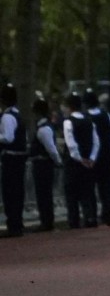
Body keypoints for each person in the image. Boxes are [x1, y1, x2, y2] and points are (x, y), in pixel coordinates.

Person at [61, 93, 99, 229]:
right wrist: (92, 158)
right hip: (89, 162)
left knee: (71, 192)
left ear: (69, 107)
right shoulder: (89, 121)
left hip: (73, 163)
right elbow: (96, 141)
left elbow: (71, 143)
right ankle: (90, 217)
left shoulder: (68, 122)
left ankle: (74, 220)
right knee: (87, 191)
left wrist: (78, 158)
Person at [83, 89, 110, 226]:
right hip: (106, 156)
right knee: (106, 187)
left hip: (91, 158)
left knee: (90, 188)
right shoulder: (106, 116)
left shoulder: (85, 117)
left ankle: (91, 215)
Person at [30, 97, 62, 232]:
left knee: (43, 193)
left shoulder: (43, 129)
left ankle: (47, 221)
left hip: (43, 164)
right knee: (44, 193)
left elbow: (51, 149)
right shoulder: (45, 127)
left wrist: (58, 161)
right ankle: (47, 220)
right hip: (44, 164)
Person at [0, 84, 26, 237]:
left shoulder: (7, 116)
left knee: (10, 192)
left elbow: (8, 138)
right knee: (17, 192)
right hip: (19, 158)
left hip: (11, 157)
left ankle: (13, 225)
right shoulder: (18, 114)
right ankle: (17, 222)